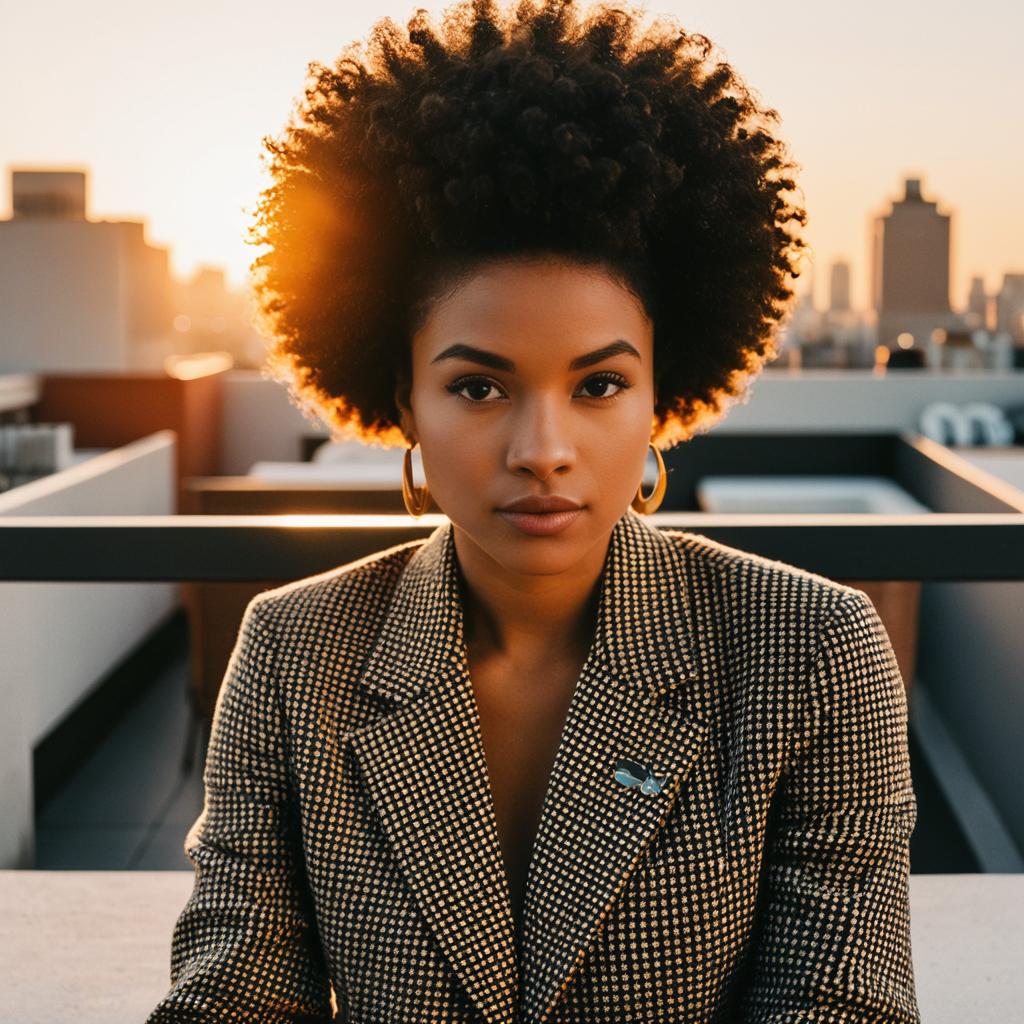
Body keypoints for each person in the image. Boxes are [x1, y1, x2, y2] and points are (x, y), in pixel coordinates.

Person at [148, 1, 920, 1021]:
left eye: (599, 385)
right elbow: (231, 997)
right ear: (404, 398)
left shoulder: (811, 653)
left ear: (661, 394)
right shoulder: (296, 657)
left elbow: (842, 1002)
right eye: (478, 387)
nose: (541, 448)